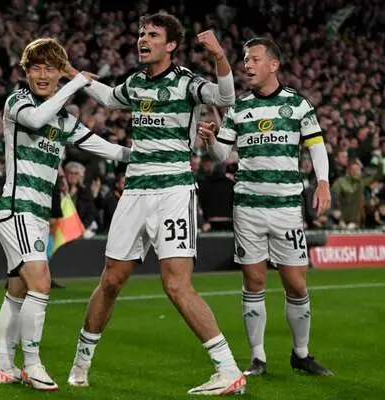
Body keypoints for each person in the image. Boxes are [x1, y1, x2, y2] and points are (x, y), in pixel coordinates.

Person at [64, 12, 246, 396]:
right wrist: (71, 73)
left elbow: (226, 97)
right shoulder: (135, 83)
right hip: (134, 192)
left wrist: (219, 57)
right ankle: (81, 364)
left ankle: (228, 369)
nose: (143, 39)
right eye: (141, 33)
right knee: (111, 280)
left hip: (173, 193)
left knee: (176, 286)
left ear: (171, 45)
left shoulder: (186, 83)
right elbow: (109, 97)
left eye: (152, 34)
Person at [0, 38, 131, 391]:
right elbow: (37, 118)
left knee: (18, 289)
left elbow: (107, 149)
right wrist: (75, 83)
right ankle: (32, 364)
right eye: (35, 68)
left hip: (37, 213)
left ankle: (4, 364)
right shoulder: (18, 102)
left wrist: (145, 155)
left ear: (57, 72)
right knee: (41, 282)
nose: (42, 75)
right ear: (26, 72)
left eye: (49, 68)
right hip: (16, 207)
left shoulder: (65, 120)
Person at [198, 37, 333, 377]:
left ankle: (300, 353)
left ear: (273, 65)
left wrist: (323, 182)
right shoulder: (239, 109)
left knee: (296, 283)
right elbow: (221, 156)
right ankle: (257, 357)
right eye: (245, 59)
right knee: (253, 280)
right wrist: (211, 140)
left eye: (254, 59)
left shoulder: (298, 105)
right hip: (248, 207)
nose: (247, 64)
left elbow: (316, 146)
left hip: (286, 206)